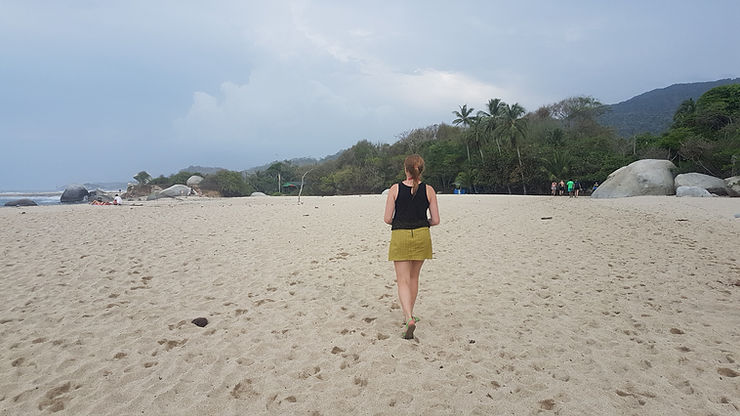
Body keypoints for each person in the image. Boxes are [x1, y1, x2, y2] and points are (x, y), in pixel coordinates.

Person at [384, 154, 440, 339]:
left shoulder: (395, 189)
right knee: (414, 277)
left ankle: (408, 317)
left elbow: (387, 219)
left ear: (405, 169)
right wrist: (423, 222)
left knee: (402, 280)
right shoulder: (429, 190)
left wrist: (400, 221)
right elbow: (436, 220)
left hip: (400, 235)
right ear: (421, 170)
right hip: (422, 235)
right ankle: (410, 314)